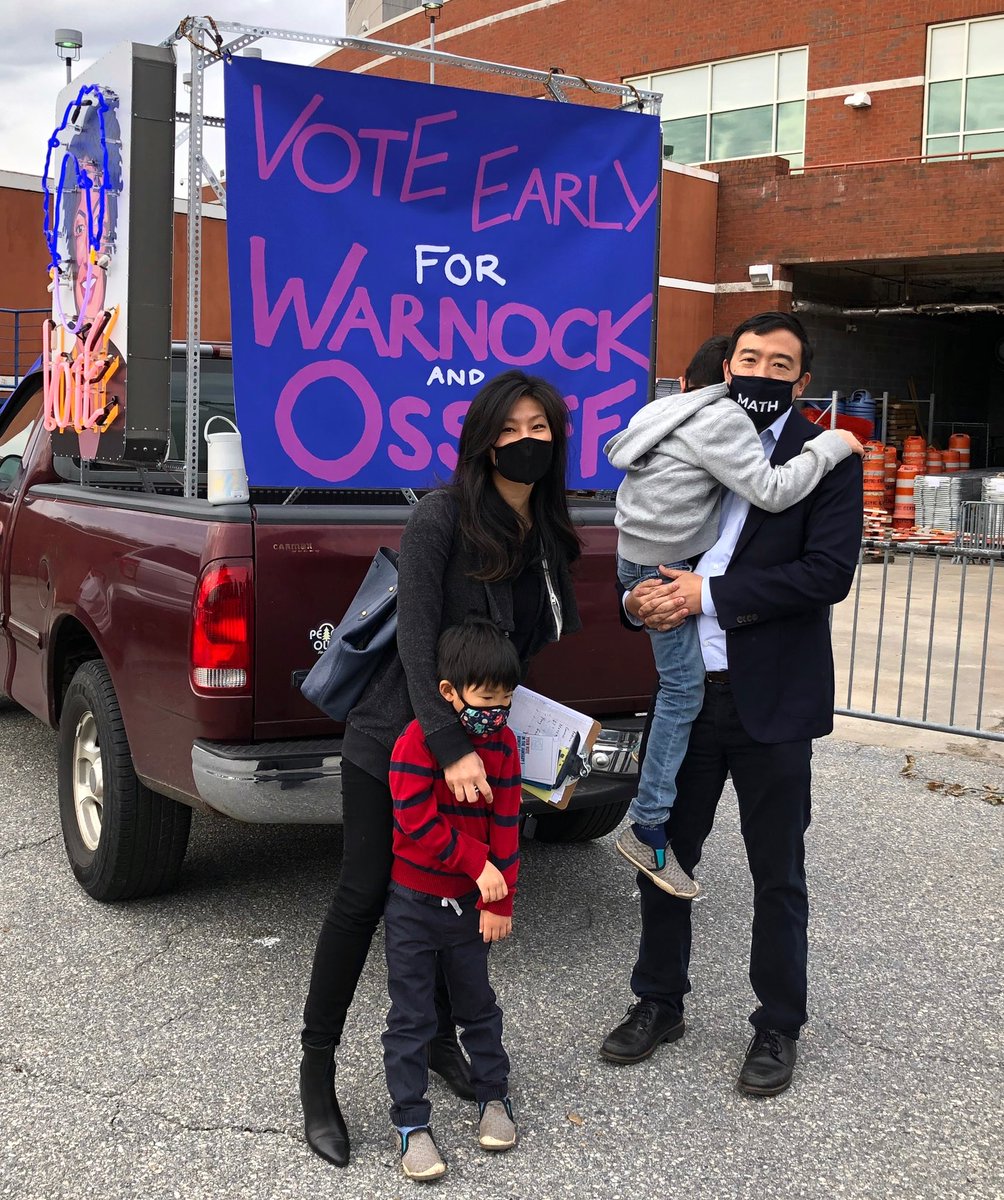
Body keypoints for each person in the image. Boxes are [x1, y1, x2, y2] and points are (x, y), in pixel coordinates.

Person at [299, 369, 581, 1167]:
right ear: (485, 439)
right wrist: (450, 746)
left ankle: (442, 1045)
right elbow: (417, 642)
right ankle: (316, 1070)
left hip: (484, 748)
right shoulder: (441, 516)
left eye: (541, 427)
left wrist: (518, 743)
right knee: (365, 894)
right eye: (511, 427)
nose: (527, 440)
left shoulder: (547, 534)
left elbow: (523, 652)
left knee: (461, 889)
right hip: (397, 737)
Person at [600, 311, 864, 1097]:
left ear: (801, 381)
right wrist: (637, 605)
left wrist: (706, 594)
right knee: (664, 858)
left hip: (774, 701)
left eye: (779, 364)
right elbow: (650, 561)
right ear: (728, 363)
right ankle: (659, 1002)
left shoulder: (824, 458)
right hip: (690, 697)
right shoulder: (699, 430)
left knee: (777, 871)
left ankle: (778, 1025)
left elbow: (826, 574)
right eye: (749, 356)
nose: (761, 370)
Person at [383, 618, 522, 1182]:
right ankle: (412, 1122)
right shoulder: (416, 742)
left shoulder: (505, 746)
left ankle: (493, 1094)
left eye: (507, 701)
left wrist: (500, 899)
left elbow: (509, 824)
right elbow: (414, 819)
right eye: (487, 700)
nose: (497, 712)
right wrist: (475, 863)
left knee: (478, 1006)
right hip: (413, 903)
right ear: (449, 693)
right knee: (411, 1016)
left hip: (472, 909)